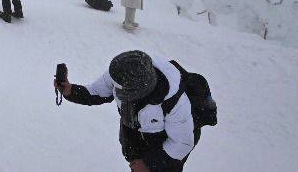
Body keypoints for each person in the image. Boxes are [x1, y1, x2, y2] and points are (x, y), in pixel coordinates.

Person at [57, 50, 201, 171]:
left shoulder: (174, 101)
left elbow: (182, 144)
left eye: (119, 87)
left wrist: (148, 164)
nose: (114, 87)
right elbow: (97, 91)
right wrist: (70, 90)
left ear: (135, 91)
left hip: (166, 155)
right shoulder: (120, 73)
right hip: (137, 145)